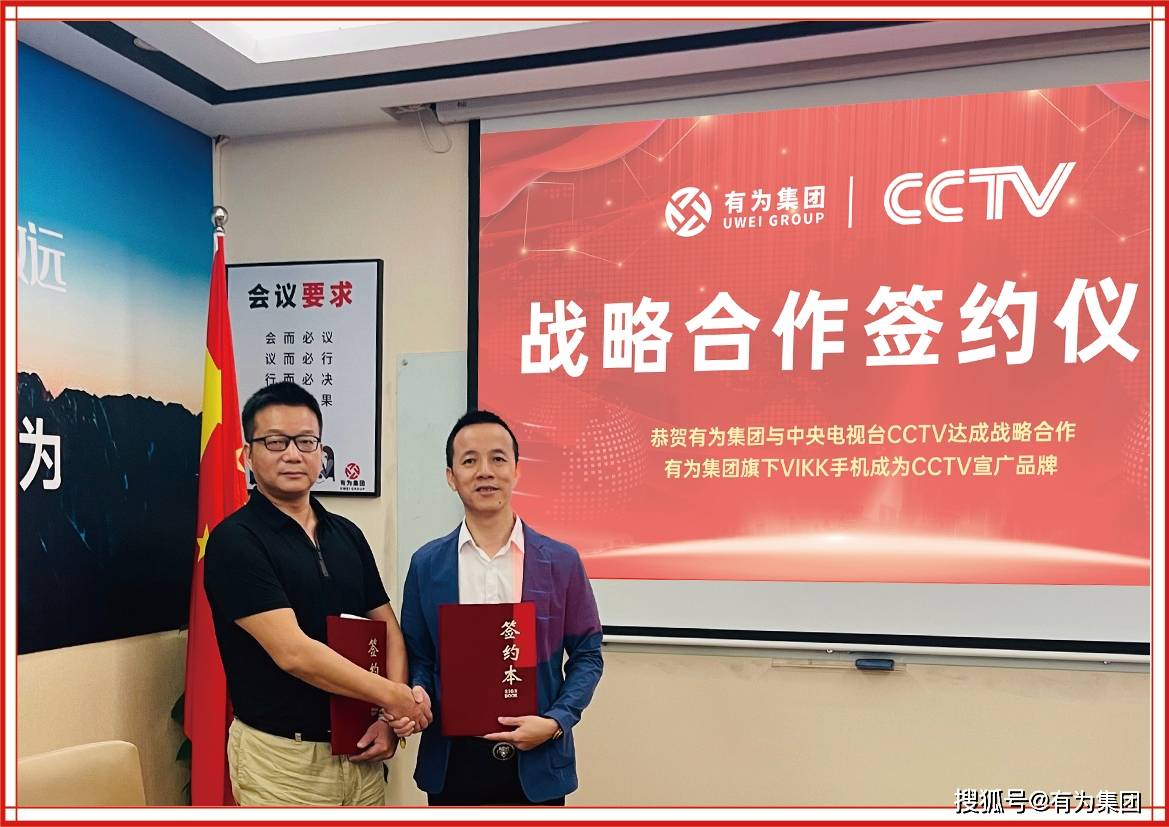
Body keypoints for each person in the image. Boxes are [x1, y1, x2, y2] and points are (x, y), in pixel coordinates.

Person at [204, 381, 431, 806]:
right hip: (283, 763)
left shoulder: (347, 534)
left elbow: (388, 630)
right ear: (248, 454)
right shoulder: (236, 541)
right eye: (275, 441)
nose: (293, 454)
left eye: (306, 441)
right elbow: (293, 652)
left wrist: (388, 719)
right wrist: (394, 697)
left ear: (321, 452)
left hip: (360, 749)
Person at [401, 410, 603, 806]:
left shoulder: (561, 562)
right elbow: (419, 655)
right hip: (453, 764)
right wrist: (419, 691)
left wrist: (556, 721)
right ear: (451, 477)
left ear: (516, 470)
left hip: (538, 763)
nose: (485, 472)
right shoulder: (427, 564)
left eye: (497, 458)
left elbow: (588, 655)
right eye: (469, 461)